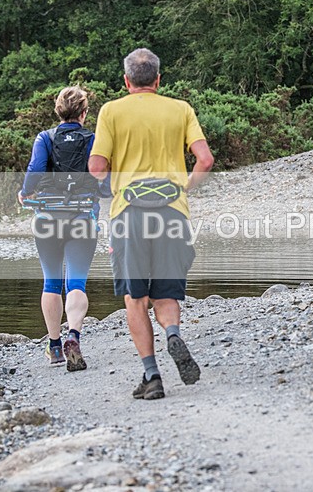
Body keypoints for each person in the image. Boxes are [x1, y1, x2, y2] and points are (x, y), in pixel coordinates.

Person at [88, 48, 214, 401]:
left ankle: (152, 375)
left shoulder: (111, 111)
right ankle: (173, 332)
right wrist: (185, 187)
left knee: (135, 296)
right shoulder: (180, 109)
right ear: (158, 80)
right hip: (173, 211)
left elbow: (96, 167)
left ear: (126, 81)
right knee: (167, 292)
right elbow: (204, 159)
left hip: (128, 212)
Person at [19, 86, 105, 372]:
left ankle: (54, 347)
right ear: (84, 113)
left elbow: (35, 169)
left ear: (58, 111)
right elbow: (103, 182)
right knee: (76, 283)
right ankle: (74, 335)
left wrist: (24, 192)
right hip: (82, 218)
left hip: (46, 219)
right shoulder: (94, 139)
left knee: (51, 283)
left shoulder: (45, 138)